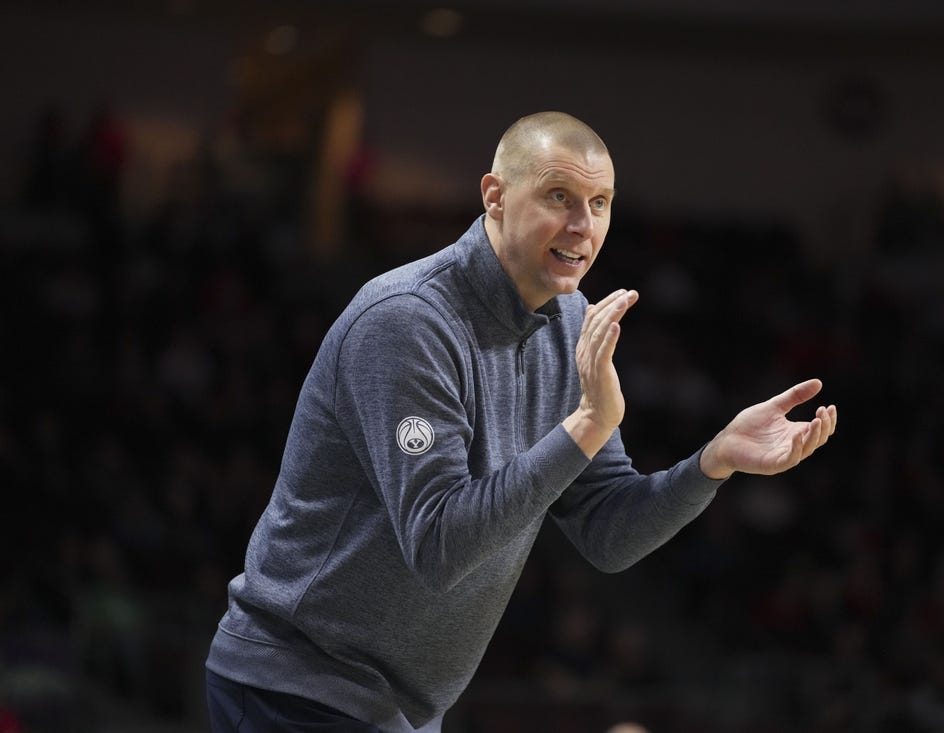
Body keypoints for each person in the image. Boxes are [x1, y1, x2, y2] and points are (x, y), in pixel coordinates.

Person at [204, 111, 838, 732]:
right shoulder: (408, 322)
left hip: (396, 707)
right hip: (293, 685)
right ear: (495, 197)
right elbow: (439, 544)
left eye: (600, 202)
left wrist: (713, 462)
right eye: (559, 196)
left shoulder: (569, 324)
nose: (582, 225)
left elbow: (607, 531)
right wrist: (585, 427)